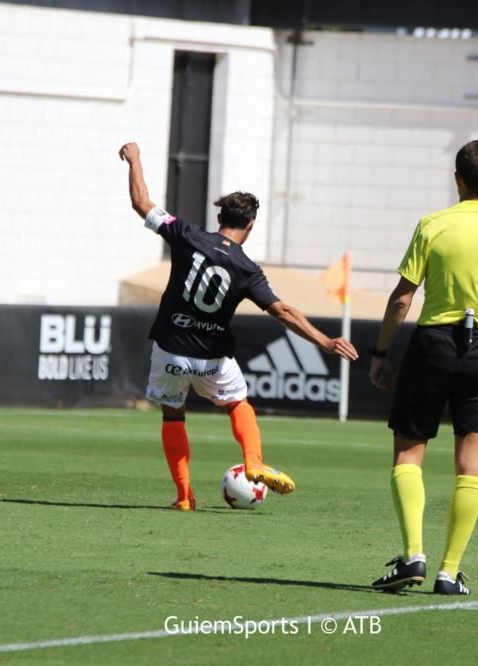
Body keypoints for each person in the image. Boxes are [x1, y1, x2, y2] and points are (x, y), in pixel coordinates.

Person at [119, 141, 359, 510]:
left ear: (220, 219)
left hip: (170, 348)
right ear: (250, 223)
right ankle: (253, 460)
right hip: (212, 357)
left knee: (173, 415)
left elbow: (141, 203)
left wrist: (134, 159)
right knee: (237, 405)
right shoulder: (248, 270)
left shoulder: (188, 235)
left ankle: (184, 496)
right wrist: (324, 341)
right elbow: (282, 311)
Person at [368, 140, 478, 594]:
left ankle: (413, 556)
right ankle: (449, 571)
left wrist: (381, 353)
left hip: (432, 345)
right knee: (472, 462)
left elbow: (402, 298)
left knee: (409, 452)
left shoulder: (433, 225)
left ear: (457, 179)